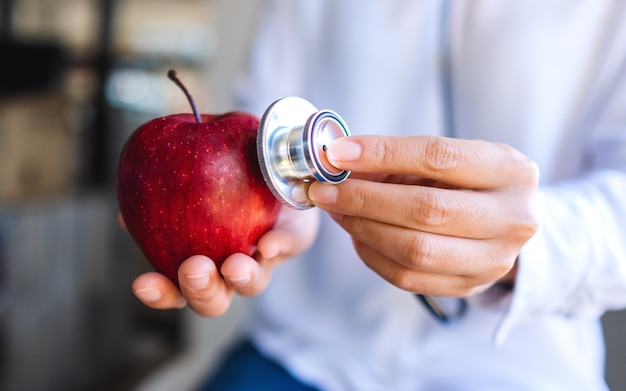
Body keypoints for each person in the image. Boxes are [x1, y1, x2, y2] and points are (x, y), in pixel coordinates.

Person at [129, 1, 626, 390]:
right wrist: (274, 212)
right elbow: (256, 130)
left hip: (519, 366)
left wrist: (532, 241)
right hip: (308, 348)